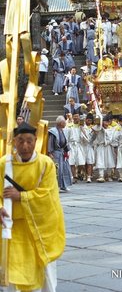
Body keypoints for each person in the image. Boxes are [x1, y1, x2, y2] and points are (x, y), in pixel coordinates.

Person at [0, 122, 65, 291]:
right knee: (13, 272)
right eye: (20, 141)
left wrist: (21, 196)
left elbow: (48, 195)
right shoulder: (3, 164)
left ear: (36, 140)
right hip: (13, 227)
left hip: (39, 228)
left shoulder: (45, 164)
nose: (25, 146)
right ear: (14, 142)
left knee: (43, 272)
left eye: (29, 141)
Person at [48, 115, 72, 191]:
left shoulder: (63, 130)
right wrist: (50, 153)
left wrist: (66, 151)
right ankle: (56, 186)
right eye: (64, 122)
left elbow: (65, 142)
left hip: (62, 152)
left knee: (65, 169)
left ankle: (64, 186)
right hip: (55, 153)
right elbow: (50, 143)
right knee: (57, 170)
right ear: (61, 123)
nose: (65, 124)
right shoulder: (53, 131)